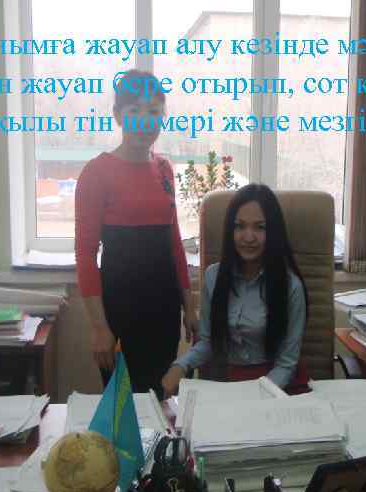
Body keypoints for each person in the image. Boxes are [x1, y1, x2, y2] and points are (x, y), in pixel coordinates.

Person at [75, 69, 196, 398]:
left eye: (153, 111)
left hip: (164, 309)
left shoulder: (164, 169)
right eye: (134, 111)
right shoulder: (96, 172)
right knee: (123, 410)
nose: (145, 121)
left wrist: (190, 306)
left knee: (160, 401)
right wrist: (99, 328)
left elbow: (174, 243)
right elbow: (85, 255)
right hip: (119, 313)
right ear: (118, 115)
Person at [161, 184, 309, 396]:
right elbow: (208, 343)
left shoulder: (291, 286)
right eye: (240, 226)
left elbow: (286, 364)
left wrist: (251, 398)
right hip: (235, 381)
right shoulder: (214, 277)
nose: (248, 237)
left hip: (280, 386)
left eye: (260, 227)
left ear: (273, 232)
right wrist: (180, 365)